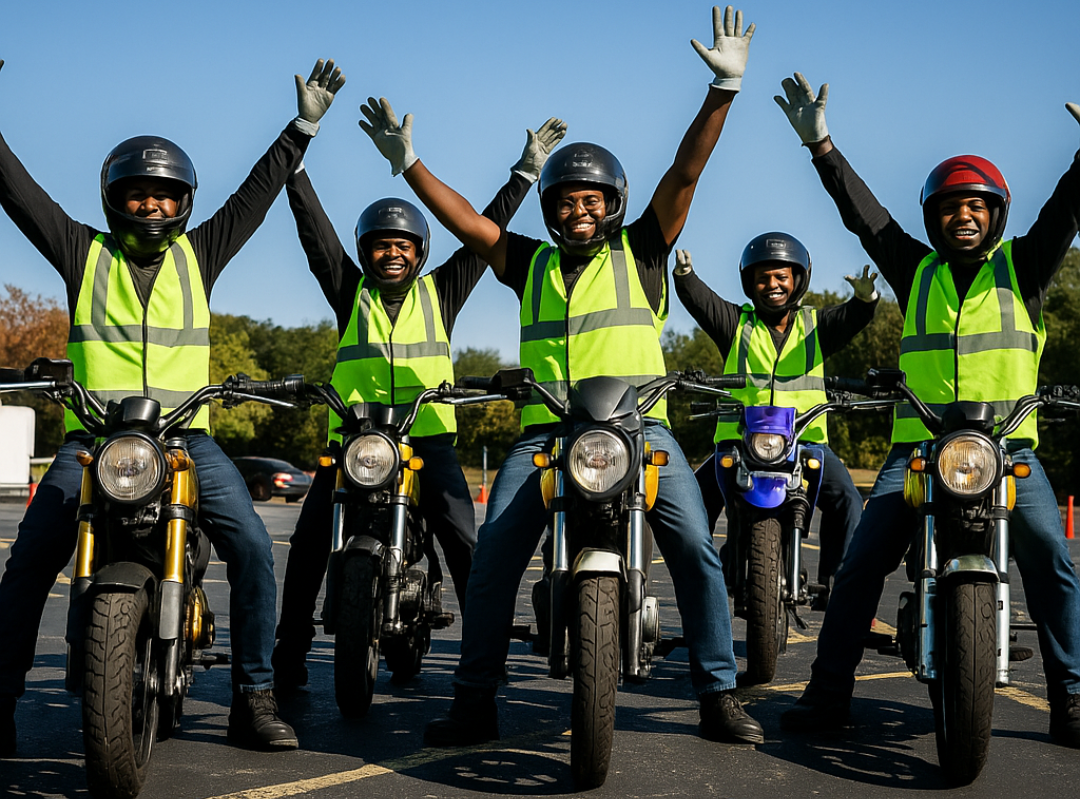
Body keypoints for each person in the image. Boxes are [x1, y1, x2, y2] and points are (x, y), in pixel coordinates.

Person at [360, 5, 766, 747]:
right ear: (550, 210)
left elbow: (687, 171)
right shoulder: (532, 264)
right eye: (567, 201)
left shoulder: (643, 250)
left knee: (698, 554)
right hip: (547, 434)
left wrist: (724, 91)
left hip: (640, 429)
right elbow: (467, 225)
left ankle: (717, 692)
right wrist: (408, 165)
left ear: (612, 206)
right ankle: (475, 698)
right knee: (491, 564)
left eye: (593, 200)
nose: (580, 210)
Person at [0, 57, 345, 756]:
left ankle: (254, 695)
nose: (152, 207)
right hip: (93, 442)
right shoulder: (80, 251)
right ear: (113, 199)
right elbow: (16, 191)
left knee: (252, 547)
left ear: (183, 201)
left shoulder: (202, 251)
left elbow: (256, 193)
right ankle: (0, 696)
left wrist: (302, 128)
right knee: (31, 555)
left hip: (190, 439)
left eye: (165, 196)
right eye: (137, 194)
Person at [773, 72, 1080, 747]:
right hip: (917, 453)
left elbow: (1066, 209)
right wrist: (821, 145)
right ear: (933, 218)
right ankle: (829, 693)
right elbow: (864, 216)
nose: (963, 216)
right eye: (949, 208)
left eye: (976, 207)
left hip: (1009, 452)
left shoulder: (1022, 269)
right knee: (857, 566)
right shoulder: (915, 271)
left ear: (995, 216)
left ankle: (1073, 698)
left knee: (1054, 560)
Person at [271, 118, 567, 690]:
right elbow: (315, 236)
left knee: (466, 542)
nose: (391, 253)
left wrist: (525, 172)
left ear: (419, 251)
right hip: (353, 443)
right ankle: (289, 657)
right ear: (365, 251)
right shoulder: (347, 288)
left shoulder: (442, 289)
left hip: (426, 442)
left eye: (402, 245)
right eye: (380, 245)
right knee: (308, 545)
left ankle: (486, 657)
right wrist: (295, 170)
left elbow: (486, 233)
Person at [673, 238, 878, 611]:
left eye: (781, 277)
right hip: (738, 444)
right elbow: (703, 305)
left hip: (806, 442)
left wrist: (865, 301)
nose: (772, 285)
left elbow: (852, 318)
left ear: (797, 280)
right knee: (689, 502)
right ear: (750, 285)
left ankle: (837, 589)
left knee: (848, 499)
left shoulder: (817, 326)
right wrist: (686, 279)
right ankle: (702, 591)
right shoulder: (736, 324)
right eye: (763, 279)